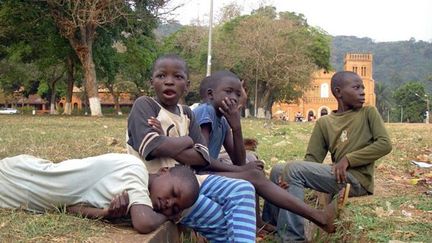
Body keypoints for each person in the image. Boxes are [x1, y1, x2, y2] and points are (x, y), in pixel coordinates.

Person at [191, 70, 349, 237]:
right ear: (210, 95)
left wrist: (236, 127)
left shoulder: (222, 120)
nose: (234, 98)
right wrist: (242, 171)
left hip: (209, 173)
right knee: (253, 174)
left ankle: (260, 222)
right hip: (198, 176)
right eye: (228, 91)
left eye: (238, 94)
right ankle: (319, 217)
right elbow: (203, 159)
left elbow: (239, 161)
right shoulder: (205, 111)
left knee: (254, 170)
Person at [127, 54, 257, 242]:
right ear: (152, 81)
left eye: (177, 77)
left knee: (244, 189)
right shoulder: (145, 105)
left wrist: (165, 140)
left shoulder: (187, 113)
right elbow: (152, 147)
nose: (169, 82)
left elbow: (203, 156)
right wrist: (187, 140)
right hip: (160, 187)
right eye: (161, 76)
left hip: (188, 180)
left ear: (187, 85)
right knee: (222, 223)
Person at [262, 71, 393, 242]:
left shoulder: (368, 113)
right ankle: (270, 228)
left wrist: (348, 159)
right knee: (279, 170)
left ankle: (292, 238)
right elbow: (311, 161)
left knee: (292, 169)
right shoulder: (324, 122)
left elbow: (385, 144)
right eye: (356, 87)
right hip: (336, 178)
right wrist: (287, 176)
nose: (362, 91)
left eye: (362, 87)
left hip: (355, 181)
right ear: (338, 92)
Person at [0, 153, 200, 234]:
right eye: (173, 192)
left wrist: (106, 214)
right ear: (164, 171)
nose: (168, 203)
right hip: (15, 178)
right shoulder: (135, 171)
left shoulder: (131, 196)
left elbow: (70, 209)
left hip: (18, 190)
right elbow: (145, 223)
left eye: (175, 206)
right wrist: (169, 217)